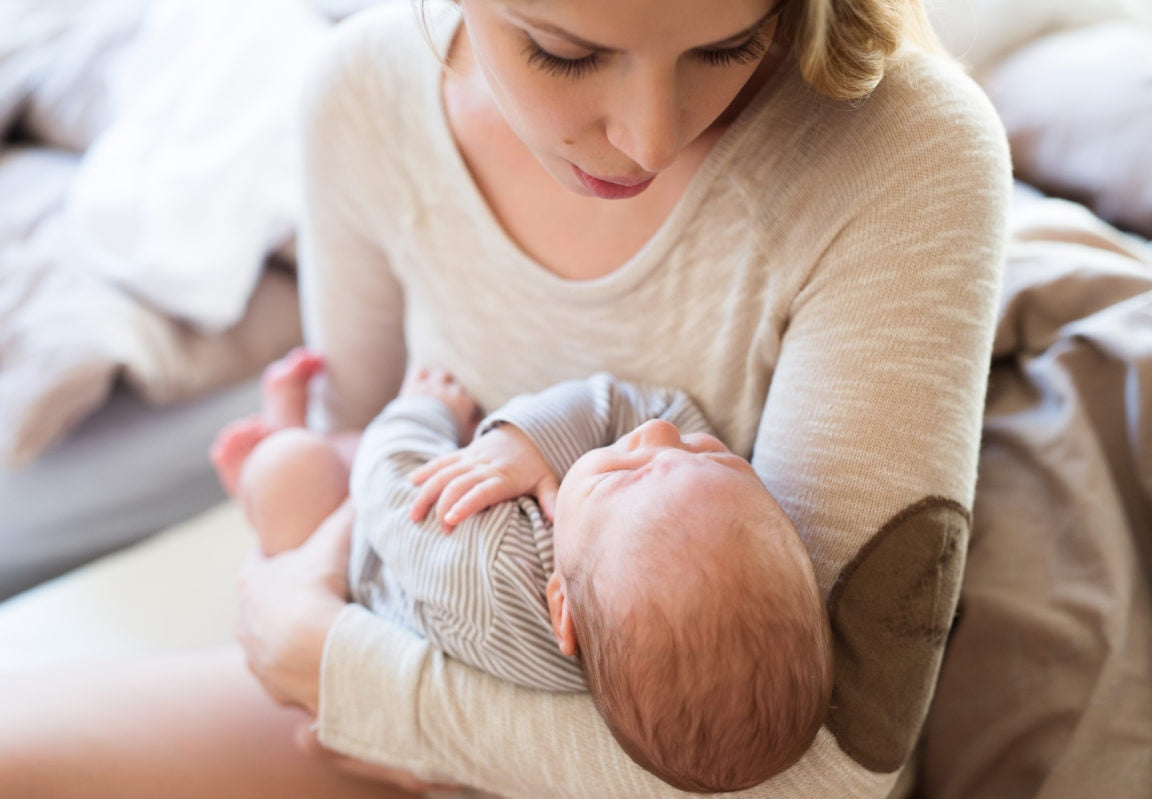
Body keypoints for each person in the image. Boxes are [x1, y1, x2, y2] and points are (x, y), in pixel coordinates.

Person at [0, 0, 1010, 796]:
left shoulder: (908, 154)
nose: (648, 139)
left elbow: (826, 775)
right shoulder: (361, 97)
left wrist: (341, 672)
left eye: (730, 44)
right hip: (379, 676)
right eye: (566, 54)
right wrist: (299, 484)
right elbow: (364, 480)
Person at [213, 352, 833, 792]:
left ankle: (276, 450)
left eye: (620, 471)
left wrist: (422, 410)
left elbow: (392, 489)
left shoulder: (492, 572)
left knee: (296, 469)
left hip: (372, 576)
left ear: (558, 604)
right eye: (713, 454)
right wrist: (530, 440)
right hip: (411, 617)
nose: (659, 432)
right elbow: (660, 408)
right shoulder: (624, 606)